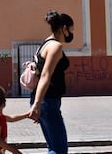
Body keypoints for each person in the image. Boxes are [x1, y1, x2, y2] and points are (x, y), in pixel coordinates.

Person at [28, 10, 74, 154]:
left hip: (45, 101)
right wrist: (37, 105)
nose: (71, 34)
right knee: (59, 150)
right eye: (71, 30)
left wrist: (36, 103)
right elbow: (45, 76)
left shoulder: (45, 44)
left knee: (53, 147)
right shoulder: (55, 46)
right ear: (64, 28)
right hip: (47, 101)